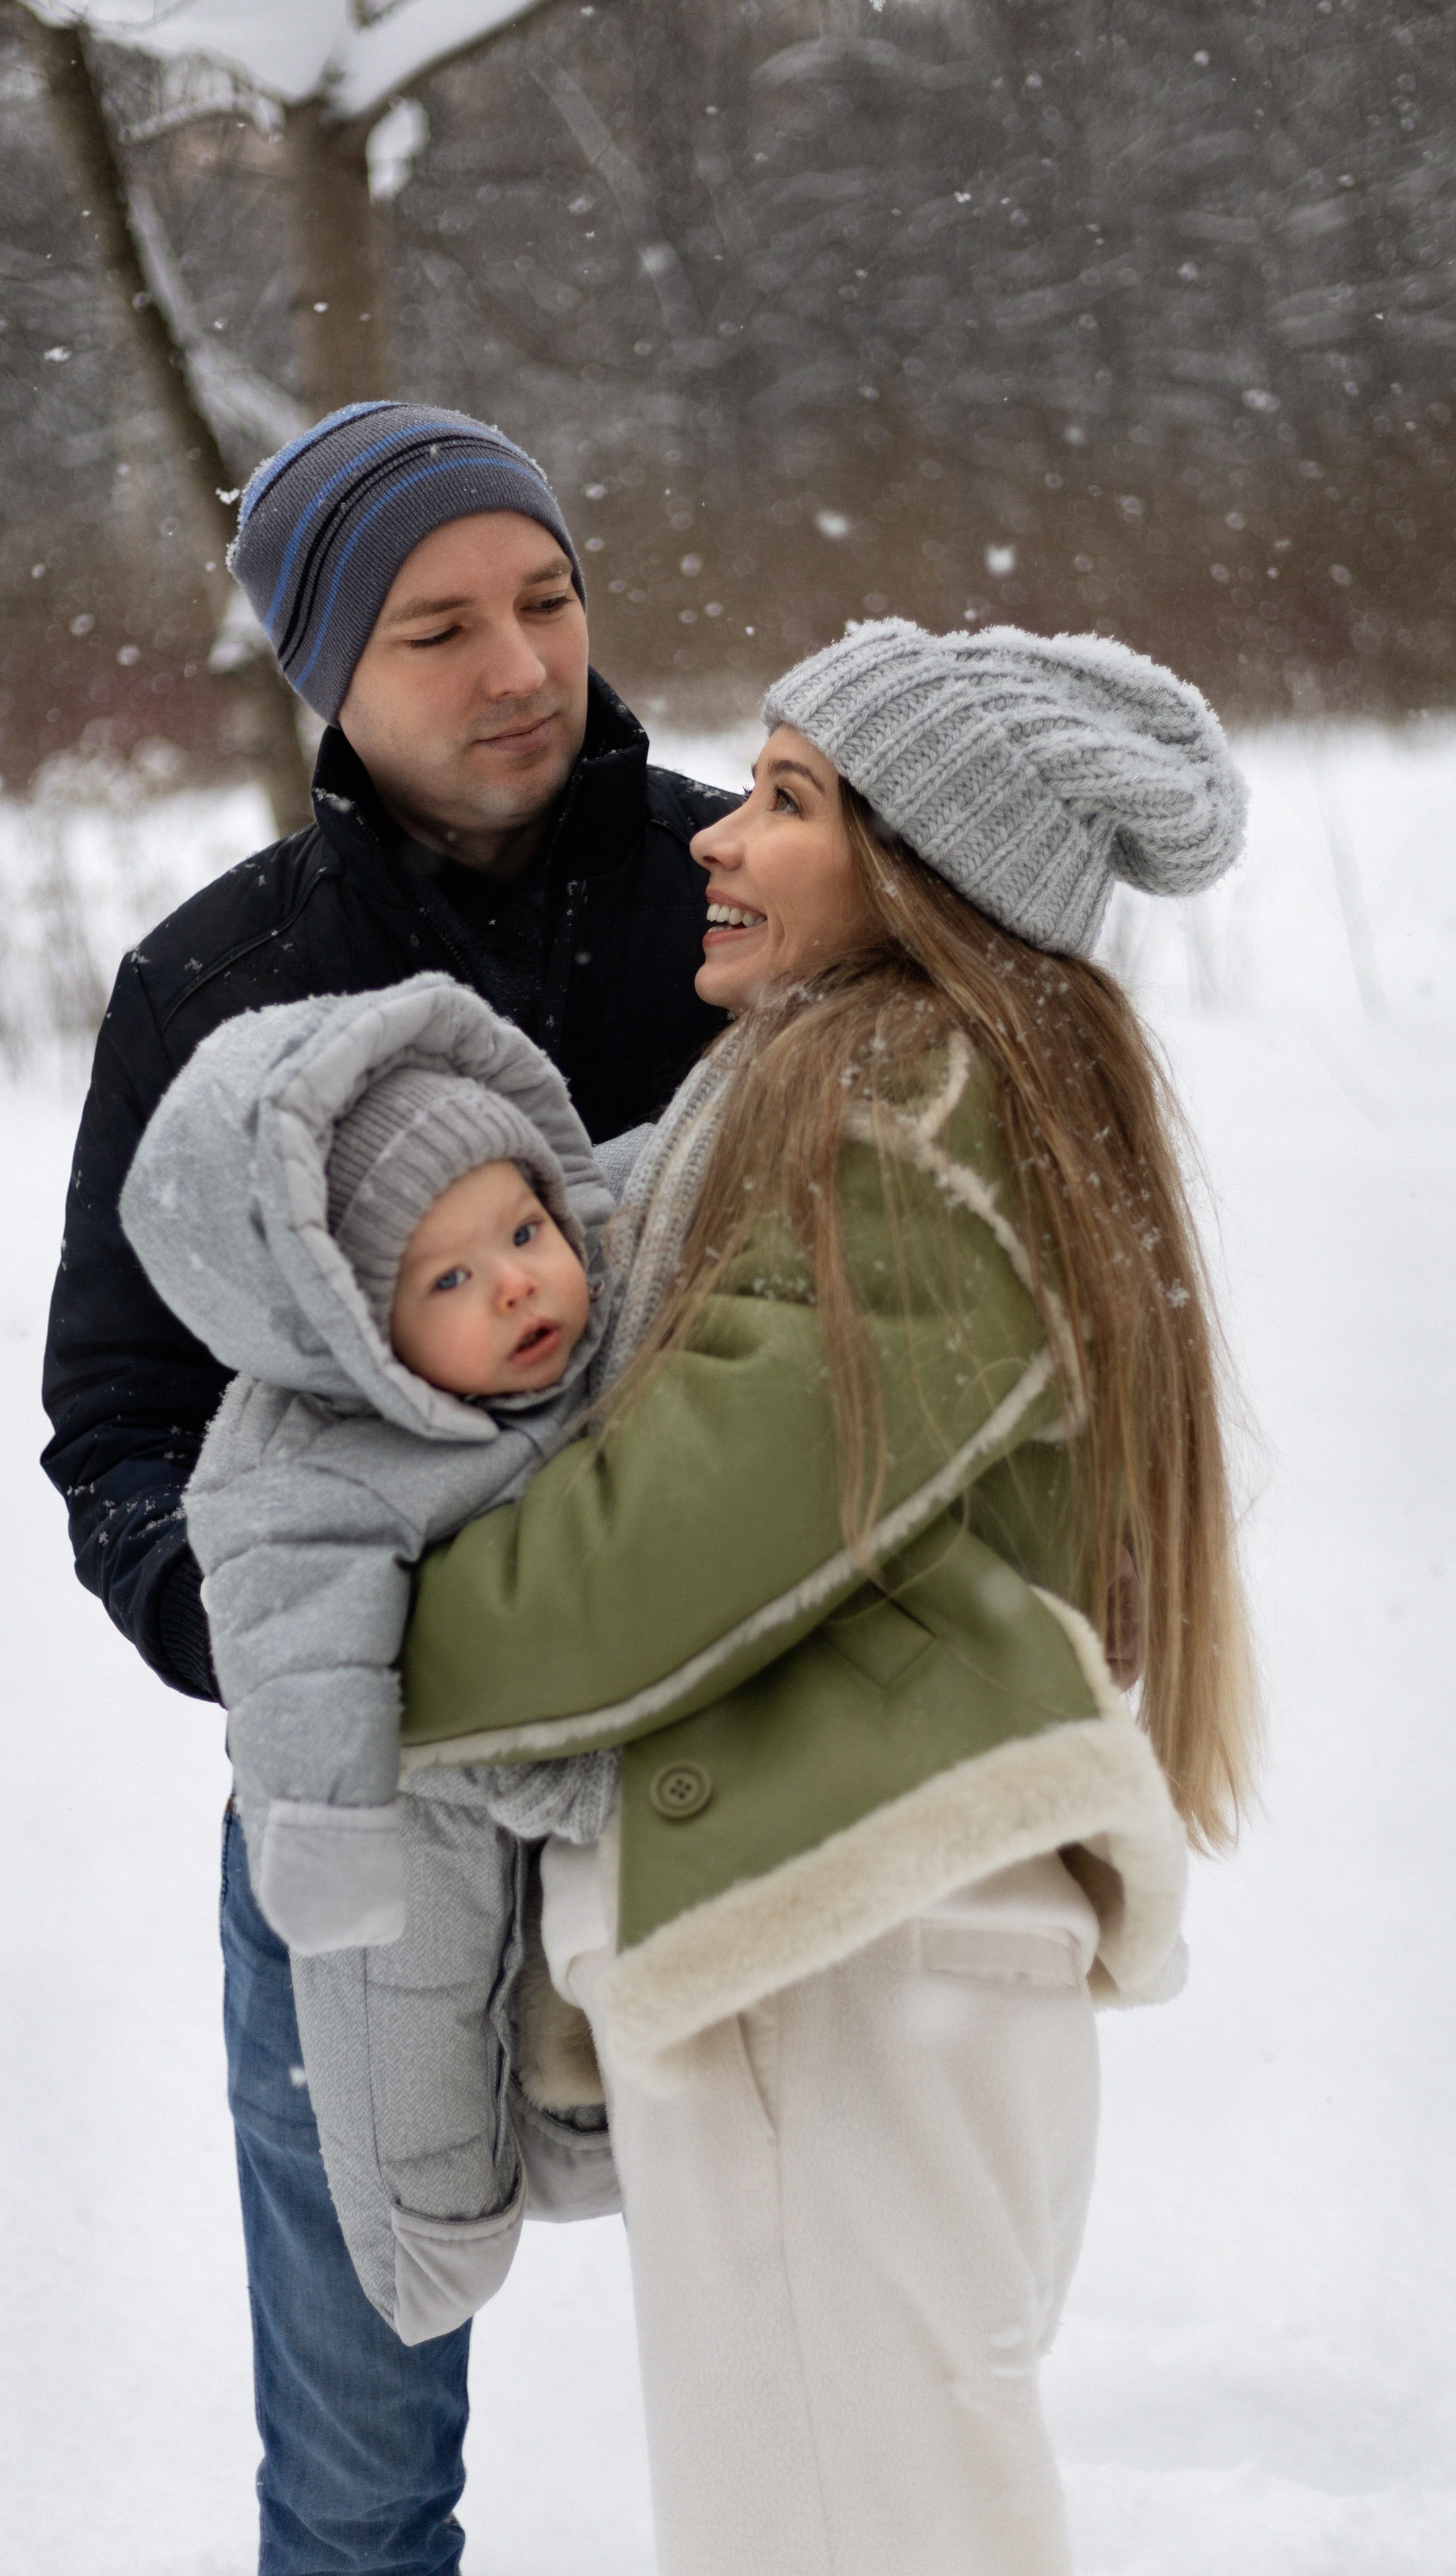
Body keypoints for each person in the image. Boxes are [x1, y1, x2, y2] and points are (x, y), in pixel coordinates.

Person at [397, 620, 1260, 2575]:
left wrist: (355, 1643)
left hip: (848, 1947)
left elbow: (673, 1547)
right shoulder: (901, 1098)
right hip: (881, 1946)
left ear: (918, 874)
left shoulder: (900, 1123)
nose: (717, 834)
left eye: (788, 801)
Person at [40, 401, 726, 2572]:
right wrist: (275, 1628)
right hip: (360, 1810)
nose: (520, 662)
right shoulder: (218, 983)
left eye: (545, 596)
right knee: (357, 2483)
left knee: (824, 2391)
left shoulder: (748, 905)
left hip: (737, 1769)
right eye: (437, 627)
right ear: (325, 670)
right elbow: (119, 1418)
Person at [118, 973, 628, 2349]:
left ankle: (584, 2138)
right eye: (448, 1278)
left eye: (524, 1228)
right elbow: (292, 1651)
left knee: (580, 1998)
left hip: (601, 1765)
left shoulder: (612, 1283)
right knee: (410, 2024)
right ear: (352, 1331)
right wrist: (331, 1838)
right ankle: (434, 2232)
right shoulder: (311, 1465)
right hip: (421, 1806)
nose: (517, 1279)